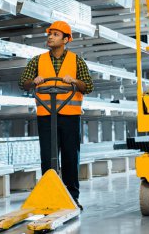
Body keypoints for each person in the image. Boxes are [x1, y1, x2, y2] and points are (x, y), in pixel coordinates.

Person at [19, 21, 94, 210]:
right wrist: (33, 81)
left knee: (70, 157)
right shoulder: (38, 60)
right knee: (48, 158)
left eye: (55, 34)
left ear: (66, 39)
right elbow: (23, 83)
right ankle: (49, 197)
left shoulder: (77, 61)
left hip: (70, 116)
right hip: (46, 116)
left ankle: (72, 198)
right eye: (49, 34)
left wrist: (75, 81)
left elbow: (89, 87)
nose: (50, 37)